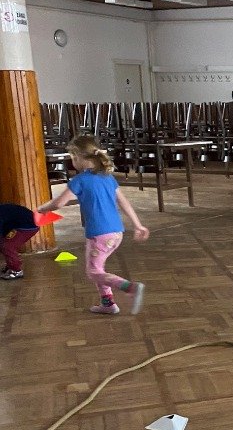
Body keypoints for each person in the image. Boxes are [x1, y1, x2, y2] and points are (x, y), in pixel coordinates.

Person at [37, 135, 149, 315]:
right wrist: (138, 225)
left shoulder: (79, 180)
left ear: (80, 157)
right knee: (98, 269)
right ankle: (108, 304)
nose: (72, 162)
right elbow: (124, 202)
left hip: (99, 234)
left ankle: (129, 287)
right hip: (116, 233)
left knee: (93, 272)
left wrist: (42, 209)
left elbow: (58, 203)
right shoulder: (107, 177)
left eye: (73, 158)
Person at [0, 203, 39, 280]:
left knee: (7, 246)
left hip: (28, 226)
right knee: (4, 244)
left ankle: (16, 271)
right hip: (20, 223)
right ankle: (11, 265)